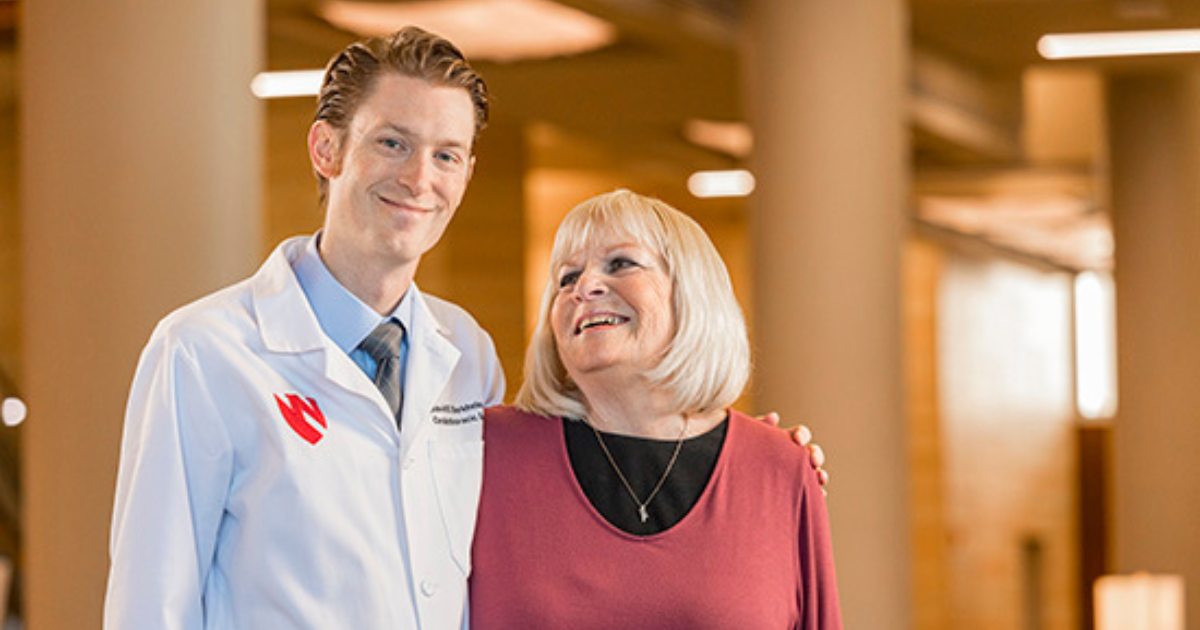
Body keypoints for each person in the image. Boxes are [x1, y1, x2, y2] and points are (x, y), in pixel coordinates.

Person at [104, 26, 826, 630]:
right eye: (392, 143)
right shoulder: (203, 353)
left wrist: (747, 459)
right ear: (326, 150)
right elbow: (150, 607)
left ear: (467, 173)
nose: (420, 177)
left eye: (446, 154)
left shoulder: (466, 355)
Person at [470, 190, 842, 629]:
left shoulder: (778, 466)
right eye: (566, 277)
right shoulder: (485, 449)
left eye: (621, 263)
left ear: (690, 293)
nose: (584, 287)